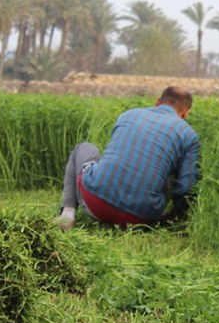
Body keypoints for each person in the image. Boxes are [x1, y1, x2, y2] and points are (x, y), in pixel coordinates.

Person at [55, 86, 200, 231]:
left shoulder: (128, 115)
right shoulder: (189, 135)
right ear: (185, 113)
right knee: (167, 172)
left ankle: (68, 212)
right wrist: (176, 217)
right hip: (141, 219)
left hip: (94, 203)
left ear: (157, 102)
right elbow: (186, 186)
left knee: (84, 148)